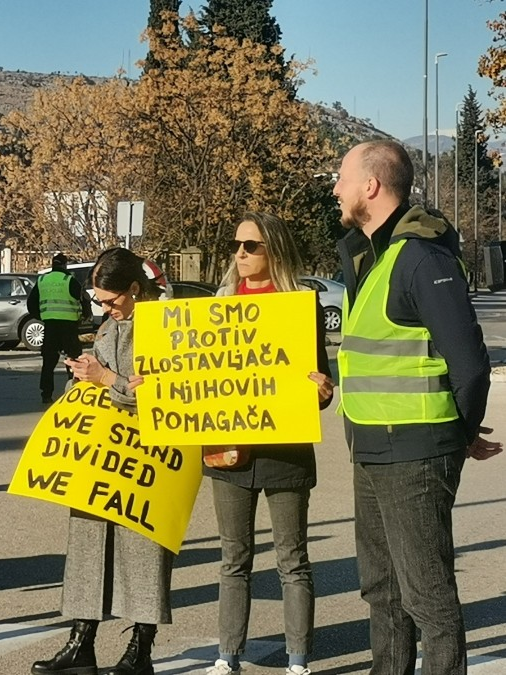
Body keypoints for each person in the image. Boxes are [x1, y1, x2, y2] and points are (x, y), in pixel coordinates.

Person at [333, 140, 502, 675]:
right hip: (372, 446)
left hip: (415, 453)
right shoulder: (372, 257)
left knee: (427, 597)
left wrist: (459, 433)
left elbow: (471, 365)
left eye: (341, 177)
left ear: (370, 186)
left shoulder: (420, 258)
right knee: (382, 591)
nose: (334, 188)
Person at [201, 212, 334, 675]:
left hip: (286, 453)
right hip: (228, 452)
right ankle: (227, 655)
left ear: (273, 249)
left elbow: (320, 377)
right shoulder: (218, 303)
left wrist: (322, 390)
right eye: (236, 245)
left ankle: (298, 659)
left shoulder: (300, 304)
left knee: (292, 559)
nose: (240, 254)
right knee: (232, 559)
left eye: (251, 246)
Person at [31, 247, 168, 675]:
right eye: (99, 301)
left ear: (134, 288)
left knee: (144, 553)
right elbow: (105, 382)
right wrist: (83, 374)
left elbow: (164, 393)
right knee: (88, 544)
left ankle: (140, 650)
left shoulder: (162, 327)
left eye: (110, 300)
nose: (104, 308)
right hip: (102, 456)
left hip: (147, 458)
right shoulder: (110, 327)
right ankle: (81, 642)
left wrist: (106, 378)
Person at [27, 252, 91, 405]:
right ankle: (75, 390)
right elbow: (84, 299)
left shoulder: (42, 280)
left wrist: (42, 316)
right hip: (69, 327)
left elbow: (31, 304)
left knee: (48, 363)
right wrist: (85, 316)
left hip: (50, 326)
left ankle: (46, 394)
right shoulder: (69, 280)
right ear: (64, 265)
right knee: (74, 359)